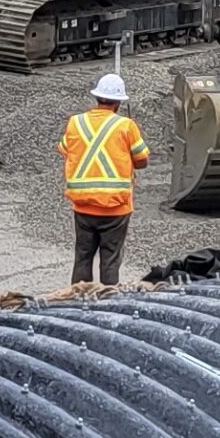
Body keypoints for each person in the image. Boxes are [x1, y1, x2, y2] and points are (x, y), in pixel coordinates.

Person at [60, 73, 152, 284]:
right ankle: (108, 302)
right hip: (116, 208)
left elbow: (65, 150)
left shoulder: (76, 123)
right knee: (110, 259)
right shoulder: (126, 126)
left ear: (97, 98)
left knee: (83, 257)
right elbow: (142, 160)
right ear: (119, 102)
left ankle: (78, 302)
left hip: (83, 206)